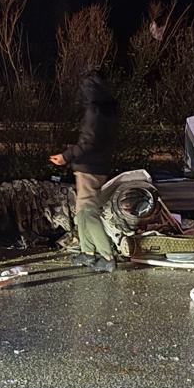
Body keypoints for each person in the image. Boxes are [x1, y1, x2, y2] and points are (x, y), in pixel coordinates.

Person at [50, 71, 120, 271]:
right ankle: (87, 252)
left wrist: (66, 156)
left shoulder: (95, 111)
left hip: (89, 167)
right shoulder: (110, 110)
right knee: (81, 211)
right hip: (98, 166)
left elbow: (88, 142)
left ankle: (107, 256)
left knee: (88, 211)